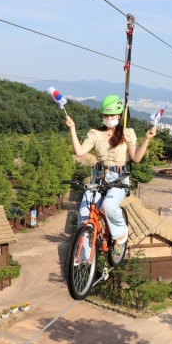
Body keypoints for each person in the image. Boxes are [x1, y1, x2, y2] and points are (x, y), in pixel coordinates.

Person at [66, 94, 156, 244]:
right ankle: (84, 259)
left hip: (119, 177)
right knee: (83, 214)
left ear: (119, 115)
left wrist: (147, 139)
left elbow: (136, 158)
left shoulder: (127, 133)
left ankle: (120, 229)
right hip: (99, 176)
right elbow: (80, 152)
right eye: (106, 115)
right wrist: (72, 129)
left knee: (108, 206)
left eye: (112, 115)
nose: (108, 118)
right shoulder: (95, 134)